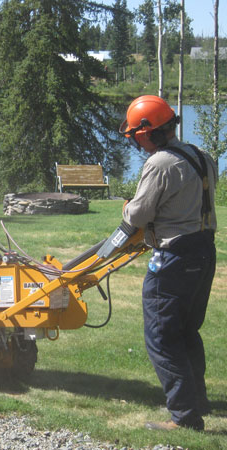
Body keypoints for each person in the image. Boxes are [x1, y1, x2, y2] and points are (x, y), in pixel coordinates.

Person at [119, 95, 217, 431]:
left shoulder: (160, 163)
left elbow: (141, 214)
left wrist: (127, 209)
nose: (137, 141)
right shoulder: (202, 156)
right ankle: (197, 400)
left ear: (148, 132)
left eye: (137, 135)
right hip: (204, 249)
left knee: (162, 336)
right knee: (187, 330)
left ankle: (184, 417)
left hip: (175, 256)